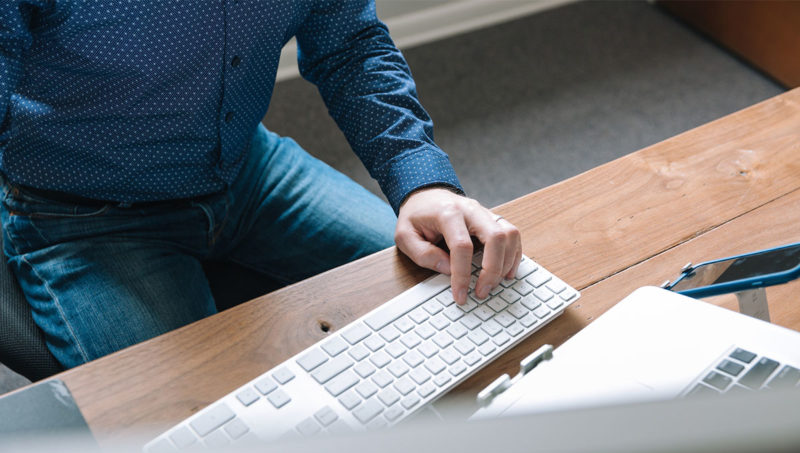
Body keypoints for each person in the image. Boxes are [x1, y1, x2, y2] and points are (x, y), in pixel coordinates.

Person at [0, 1, 521, 369]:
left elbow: (349, 46)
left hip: (250, 172)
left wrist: (420, 182)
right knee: (191, 444)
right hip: (84, 217)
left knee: (472, 307)